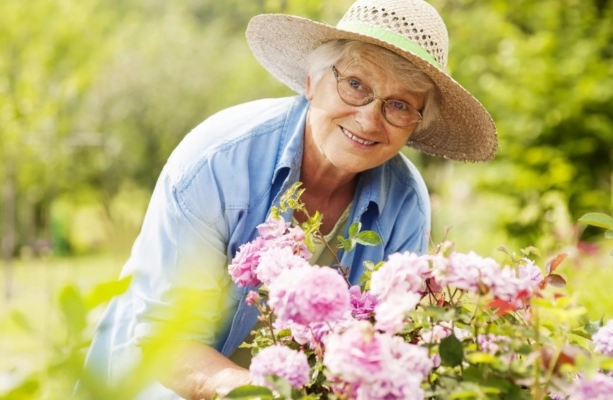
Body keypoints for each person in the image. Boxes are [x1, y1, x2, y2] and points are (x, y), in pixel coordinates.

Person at [82, 0, 497, 398]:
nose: (369, 119)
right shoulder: (217, 163)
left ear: (415, 125)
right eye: (355, 84)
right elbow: (167, 343)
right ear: (312, 82)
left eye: (400, 105)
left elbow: (382, 348)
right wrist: (257, 393)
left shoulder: (405, 203)